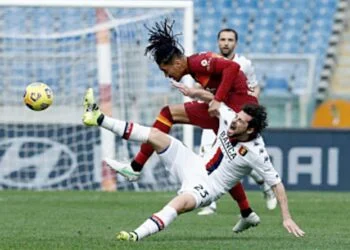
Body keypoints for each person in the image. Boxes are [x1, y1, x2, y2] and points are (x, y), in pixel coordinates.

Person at [82, 88, 305, 241]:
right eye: (236, 116)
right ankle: (98, 118)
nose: (234, 120)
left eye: (241, 121)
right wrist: (193, 92)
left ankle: (135, 235)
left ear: (250, 130)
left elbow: (277, 184)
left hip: (208, 188)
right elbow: (213, 100)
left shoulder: (257, 152)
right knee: (156, 135)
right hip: (192, 163)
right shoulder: (229, 118)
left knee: (179, 204)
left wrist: (286, 217)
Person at [110, 19, 260, 233]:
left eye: (166, 69)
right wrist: (204, 96)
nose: (166, 75)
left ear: (177, 62)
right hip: (225, 113)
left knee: (220, 162)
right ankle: (247, 213)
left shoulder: (200, 62)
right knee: (168, 114)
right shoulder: (194, 70)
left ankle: (250, 207)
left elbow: (233, 67)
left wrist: (216, 99)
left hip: (238, 116)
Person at [198, 28, 276, 216]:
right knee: (206, 157)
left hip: (235, 122)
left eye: (230, 40)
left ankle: (265, 185)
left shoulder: (244, 64)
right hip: (215, 117)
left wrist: (249, 110)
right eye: (223, 39)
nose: (226, 43)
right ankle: (209, 203)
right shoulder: (210, 62)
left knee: (240, 158)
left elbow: (254, 87)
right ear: (218, 42)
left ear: (236, 43)